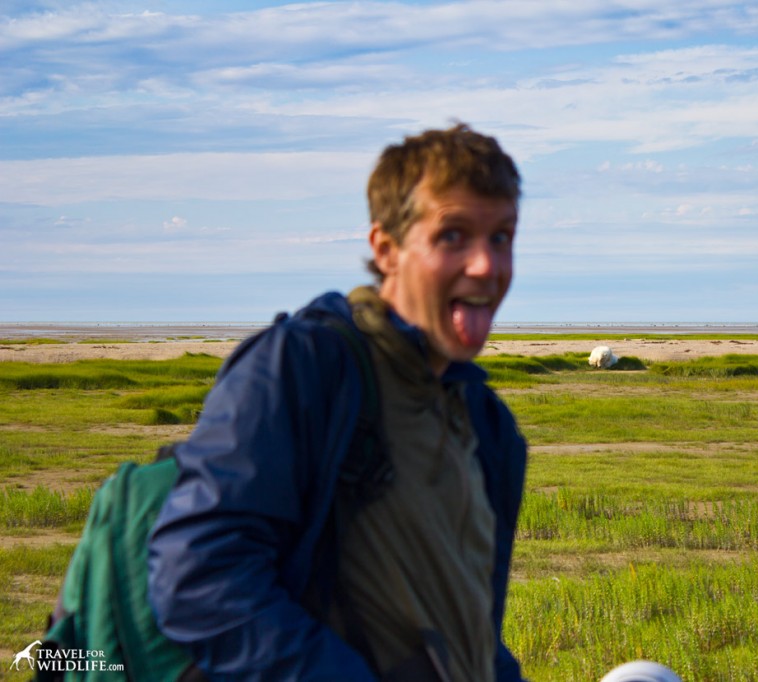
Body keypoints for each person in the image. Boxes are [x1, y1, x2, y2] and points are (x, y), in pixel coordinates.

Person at [148, 123, 528, 681]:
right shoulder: (305, 368)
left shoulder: (488, 425)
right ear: (386, 249)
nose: (487, 266)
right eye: (453, 236)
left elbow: (469, 630)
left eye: (501, 237)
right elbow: (197, 573)